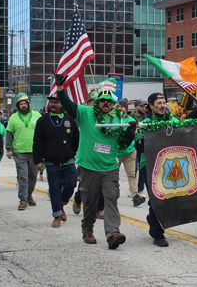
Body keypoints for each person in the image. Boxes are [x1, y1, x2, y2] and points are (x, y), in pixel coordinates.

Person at [57, 75, 135, 249]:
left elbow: (123, 144)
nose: (105, 103)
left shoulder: (119, 120)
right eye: (102, 100)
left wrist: (130, 133)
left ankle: (113, 233)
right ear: (98, 101)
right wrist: (60, 88)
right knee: (90, 202)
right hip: (88, 166)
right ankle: (87, 230)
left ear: (113, 102)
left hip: (109, 167)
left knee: (111, 199)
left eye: (108, 100)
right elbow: (69, 105)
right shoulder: (85, 113)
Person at [135, 92, 179, 247]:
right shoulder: (145, 123)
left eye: (164, 103)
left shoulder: (173, 121)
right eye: (159, 103)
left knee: (168, 199)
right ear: (151, 106)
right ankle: (158, 234)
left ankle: (153, 218)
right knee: (156, 199)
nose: (162, 106)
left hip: (169, 165)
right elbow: (138, 146)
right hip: (149, 165)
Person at [33, 93, 79, 227]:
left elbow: (77, 139)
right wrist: (38, 160)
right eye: (51, 102)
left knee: (71, 185)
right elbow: (37, 142)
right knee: (54, 189)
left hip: (69, 160)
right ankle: (57, 216)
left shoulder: (70, 119)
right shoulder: (42, 120)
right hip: (51, 161)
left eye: (56, 102)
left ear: (61, 104)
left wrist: (78, 155)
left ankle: (61, 204)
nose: (53, 104)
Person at [6, 93, 42, 210]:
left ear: (29, 104)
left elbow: (44, 132)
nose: (24, 106)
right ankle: (23, 200)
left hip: (35, 151)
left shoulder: (37, 115)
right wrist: (9, 149)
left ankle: (29, 195)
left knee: (33, 176)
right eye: (21, 104)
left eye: (25, 103)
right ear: (18, 106)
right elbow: (9, 134)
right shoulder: (13, 118)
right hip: (20, 152)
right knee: (23, 176)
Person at [117, 98, 145, 207]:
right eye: (118, 106)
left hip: (130, 152)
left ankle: (135, 196)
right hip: (116, 153)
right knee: (113, 176)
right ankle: (111, 196)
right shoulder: (114, 119)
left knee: (132, 175)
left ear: (126, 109)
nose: (120, 108)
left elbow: (137, 135)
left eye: (122, 107)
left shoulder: (131, 120)